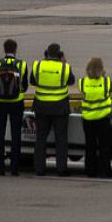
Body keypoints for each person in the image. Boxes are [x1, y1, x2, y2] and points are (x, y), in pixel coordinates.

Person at [30, 42, 75, 176]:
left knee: (40, 139)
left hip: (41, 107)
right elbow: (71, 81)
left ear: (46, 53)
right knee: (61, 139)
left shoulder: (38, 65)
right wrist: (63, 62)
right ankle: (61, 169)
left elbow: (32, 81)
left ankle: (39, 169)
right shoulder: (64, 67)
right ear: (60, 54)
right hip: (59, 108)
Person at [0, 39, 28, 176]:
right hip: (16, 104)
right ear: (16, 49)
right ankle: (14, 168)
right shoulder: (22, 64)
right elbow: (24, 86)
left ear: (4, 49)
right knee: (15, 136)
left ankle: (0, 168)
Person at [78, 57, 112, 177]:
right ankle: (104, 171)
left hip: (88, 119)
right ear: (102, 69)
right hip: (102, 118)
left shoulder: (83, 82)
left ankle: (90, 171)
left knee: (90, 146)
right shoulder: (106, 82)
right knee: (104, 146)